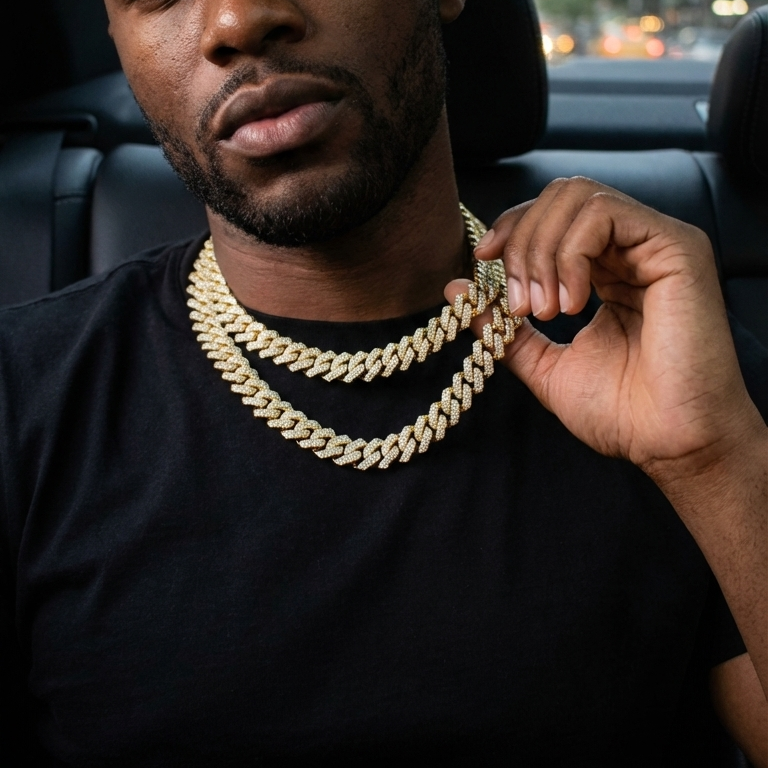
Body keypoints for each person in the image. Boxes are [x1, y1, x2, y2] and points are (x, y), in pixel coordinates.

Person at [0, 0, 765, 765]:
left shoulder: (681, 377)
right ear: (116, 37)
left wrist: (712, 461)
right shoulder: (26, 397)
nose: (235, 19)